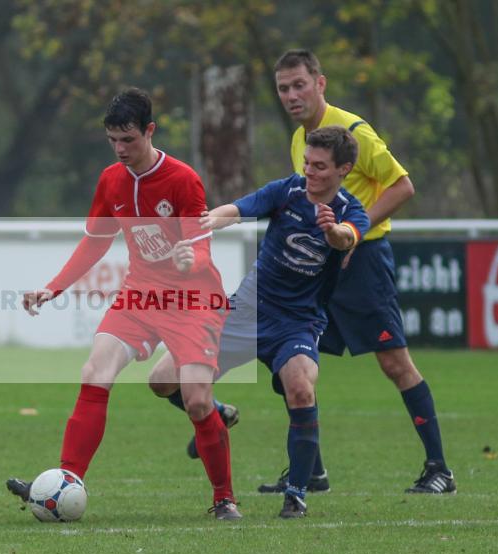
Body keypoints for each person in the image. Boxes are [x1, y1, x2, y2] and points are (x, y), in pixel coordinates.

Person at [6, 88, 241, 520]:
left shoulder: (183, 179)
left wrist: (192, 257)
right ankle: (67, 480)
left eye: (128, 139)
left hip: (193, 301)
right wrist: (52, 288)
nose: (120, 149)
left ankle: (224, 498)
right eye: (113, 140)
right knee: (94, 372)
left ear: (149, 131)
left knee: (196, 402)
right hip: (141, 294)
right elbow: (93, 245)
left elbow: (200, 243)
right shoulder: (110, 180)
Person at [250, 49, 454, 494]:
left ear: (320, 83)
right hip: (321, 269)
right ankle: (313, 471)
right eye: (283, 88)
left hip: (362, 263)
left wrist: (353, 232)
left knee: (394, 363)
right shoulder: (300, 139)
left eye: (299, 85)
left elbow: (403, 185)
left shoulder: (354, 131)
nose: (291, 95)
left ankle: (439, 468)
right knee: (291, 360)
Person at [150, 125, 369, 518]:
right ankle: (217, 411)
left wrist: (332, 230)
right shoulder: (286, 191)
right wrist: (202, 224)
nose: (310, 172)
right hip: (247, 310)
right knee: (162, 379)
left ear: (344, 169)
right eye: (307, 163)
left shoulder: (352, 211)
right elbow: (235, 210)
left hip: (298, 323)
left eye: (320, 166)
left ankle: (297, 493)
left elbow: (346, 239)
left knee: (301, 390)